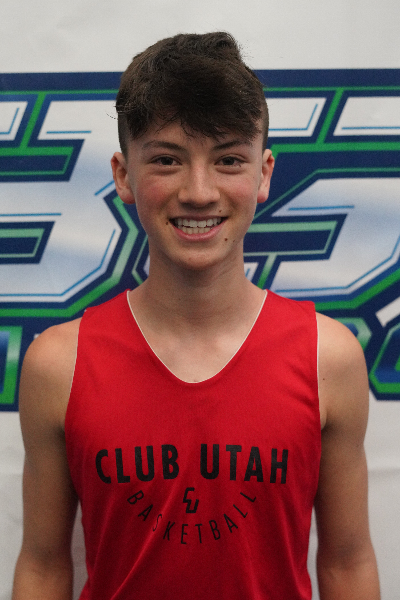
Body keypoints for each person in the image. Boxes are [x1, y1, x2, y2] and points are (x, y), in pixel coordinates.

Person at [12, 32, 379, 600]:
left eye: (228, 160)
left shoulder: (327, 358)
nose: (199, 192)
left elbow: (347, 564)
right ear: (123, 175)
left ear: (264, 173)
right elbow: (42, 566)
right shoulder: (58, 363)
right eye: (167, 160)